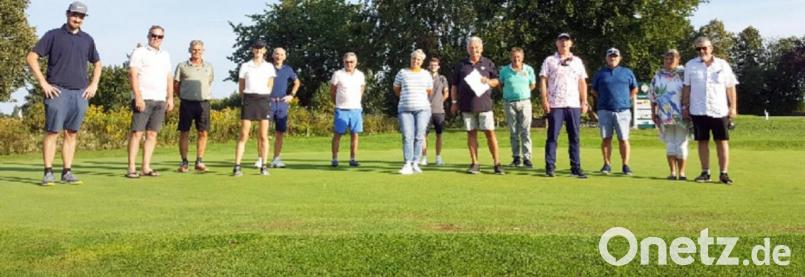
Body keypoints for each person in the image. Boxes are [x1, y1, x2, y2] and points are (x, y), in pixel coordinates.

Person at [26, 1, 101, 185]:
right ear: (67, 14)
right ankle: (48, 172)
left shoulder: (87, 39)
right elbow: (31, 57)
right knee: (52, 132)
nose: (77, 19)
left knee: (71, 133)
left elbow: (97, 63)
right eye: (74, 15)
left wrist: (94, 85)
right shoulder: (53, 35)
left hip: (80, 94)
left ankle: (67, 172)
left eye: (81, 16)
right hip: (57, 92)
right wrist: (43, 83)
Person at [682, 37, 738, 185]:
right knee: (702, 141)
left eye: (704, 48)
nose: (701, 51)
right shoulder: (690, 65)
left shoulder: (722, 64)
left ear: (711, 48)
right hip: (698, 109)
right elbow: (687, 87)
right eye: (698, 49)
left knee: (722, 141)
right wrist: (685, 107)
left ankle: (724, 173)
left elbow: (730, 86)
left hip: (719, 110)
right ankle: (705, 172)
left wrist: (733, 107)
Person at [449, 36, 504, 175]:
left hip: (485, 105)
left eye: (477, 48)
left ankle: (497, 164)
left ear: (481, 48)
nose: (474, 50)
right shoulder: (461, 65)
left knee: (490, 133)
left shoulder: (488, 63)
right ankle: (474, 163)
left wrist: (488, 81)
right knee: (471, 134)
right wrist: (454, 102)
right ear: (468, 49)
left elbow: (497, 81)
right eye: (472, 48)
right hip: (467, 106)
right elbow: (454, 85)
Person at [539, 33, 589, 178]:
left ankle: (576, 167)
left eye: (566, 41)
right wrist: (544, 100)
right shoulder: (550, 60)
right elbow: (543, 81)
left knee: (575, 137)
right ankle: (550, 166)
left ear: (571, 44)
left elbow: (582, 82)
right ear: (557, 43)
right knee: (552, 136)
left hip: (573, 104)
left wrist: (584, 101)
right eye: (561, 41)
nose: (564, 43)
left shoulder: (577, 61)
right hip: (555, 105)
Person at [126, 25, 174, 178]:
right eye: (154, 35)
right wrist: (138, 96)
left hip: (160, 99)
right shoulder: (139, 52)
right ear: (148, 36)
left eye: (160, 36)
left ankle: (146, 167)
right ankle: (131, 167)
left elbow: (169, 77)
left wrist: (170, 97)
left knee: (152, 134)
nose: (156, 38)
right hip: (143, 98)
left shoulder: (165, 55)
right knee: (137, 133)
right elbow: (133, 75)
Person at [590, 48, 638, 175]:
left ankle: (625, 165)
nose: (613, 58)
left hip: (623, 110)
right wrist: (602, 99)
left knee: (623, 138)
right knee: (606, 138)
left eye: (615, 56)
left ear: (620, 58)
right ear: (606, 58)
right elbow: (593, 90)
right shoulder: (600, 73)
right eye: (610, 56)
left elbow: (634, 88)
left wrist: (626, 99)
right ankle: (607, 164)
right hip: (604, 110)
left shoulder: (627, 72)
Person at [232, 40, 276, 176]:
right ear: (252, 50)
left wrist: (265, 95)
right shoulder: (246, 66)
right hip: (249, 99)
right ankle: (237, 166)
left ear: (264, 51)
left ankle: (264, 166)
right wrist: (244, 98)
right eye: (256, 48)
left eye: (261, 48)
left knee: (263, 136)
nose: (258, 51)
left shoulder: (269, 66)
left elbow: (270, 84)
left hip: (263, 99)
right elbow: (241, 85)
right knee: (244, 134)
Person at [253, 47, 301, 169]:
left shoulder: (288, 69)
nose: (279, 56)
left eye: (281, 54)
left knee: (280, 132)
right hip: (268, 102)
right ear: (273, 56)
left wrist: (291, 95)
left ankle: (276, 158)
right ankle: (260, 159)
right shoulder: (267, 67)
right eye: (277, 54)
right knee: (263, 132)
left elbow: (297, 82)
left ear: (284, 56)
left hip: (282, 104)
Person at [174, 40, 214, 173]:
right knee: (184, 131)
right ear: (189, 50)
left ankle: (199, 161)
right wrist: (182, 96)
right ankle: (184, 161)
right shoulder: (182, 66)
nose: (196, 52)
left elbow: (209, 81)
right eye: (194, 49)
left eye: (199, 50)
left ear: (203, 51)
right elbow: (176, 85)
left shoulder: (209, 66)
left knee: (203, 132)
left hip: (203, 103)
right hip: (186, 103)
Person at [648, 49, 688, 180]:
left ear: (678, 59)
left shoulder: (684, 74)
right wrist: (653, 113)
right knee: (670, 144)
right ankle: (672, 172)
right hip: (665, 114)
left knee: (681, 144)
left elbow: (691, 93)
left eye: (672, 58)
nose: (669, 61)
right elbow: (652, 96)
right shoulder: (658, 75)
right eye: (667, 58)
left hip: (682, 114)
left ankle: (682, 173)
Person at [393, 49, 433, 174]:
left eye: (418, 60)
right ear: (411, 59)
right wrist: (407, 98)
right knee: (407, 136)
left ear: (422, 61)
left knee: (419, 136)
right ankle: (408, 163)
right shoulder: (402, 72)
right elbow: (396, 88)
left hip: (422, 109)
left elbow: (429, 90)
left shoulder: (426, 74)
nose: (416, 61)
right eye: (414, 59)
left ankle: (416, 162)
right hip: (405, 109)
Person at [499, 47, 536, 168]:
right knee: (513, 131)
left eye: (518, 57)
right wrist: (509, 93)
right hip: (509, 103)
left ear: (522, 58)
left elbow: (533, 84)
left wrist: (523, 93)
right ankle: (516, 158)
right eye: (514, 57)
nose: (516, 59)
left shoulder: (528, 69)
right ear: (511, 57)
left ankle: (527, 158)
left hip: (525, 102)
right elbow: (500, 85)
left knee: (525, 131)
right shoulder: (504, 70)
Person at [330, 52, 366, 167]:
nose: (349, 64)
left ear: (356, 63)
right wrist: (337, 103)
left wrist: (357, 101)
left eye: (351, 62)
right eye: (347, 62)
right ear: (343, 62)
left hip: (356, 109)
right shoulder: (338, 74)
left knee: (355, 134)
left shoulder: (360, 75)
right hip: (341, 109)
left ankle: (353, 159)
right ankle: (335, 159)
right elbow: (332, 91)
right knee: (337, 134)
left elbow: (362, 88)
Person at [420, 57, 449, 166]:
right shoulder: (424, 78)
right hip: (425, 110)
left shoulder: (442, 78)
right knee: (423, 135)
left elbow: (446, 92)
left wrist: (441, 100)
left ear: (438, 67)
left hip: (439, 110)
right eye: (431, 65)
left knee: (439, 134)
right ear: (429, 66)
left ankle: (438, 157)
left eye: (435, 65)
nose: (433, 67)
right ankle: (424, 157)